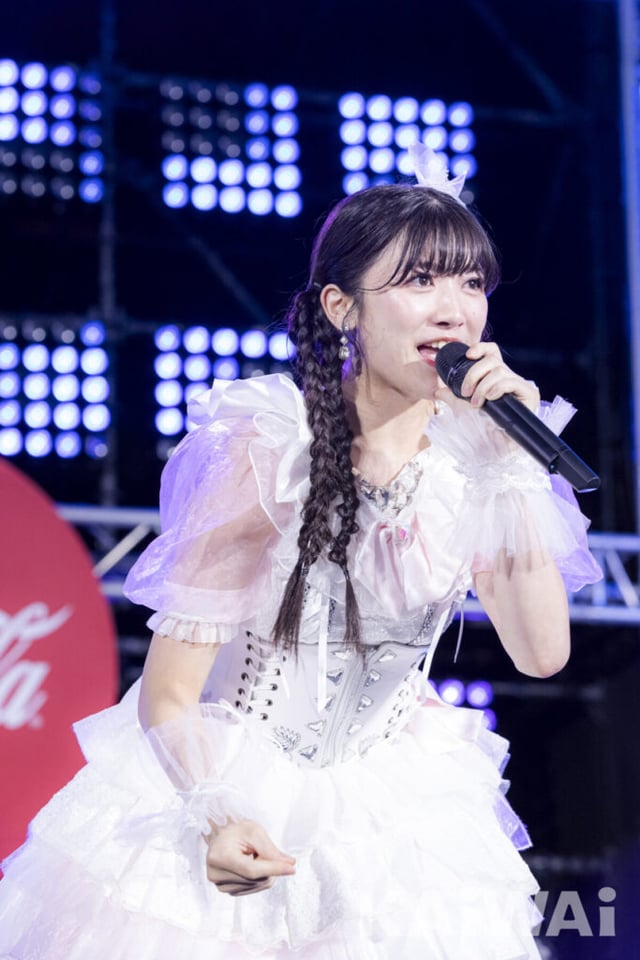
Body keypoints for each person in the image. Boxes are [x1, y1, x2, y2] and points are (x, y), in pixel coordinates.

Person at [0, 144, 602, 960]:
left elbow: (541, 653)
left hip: (393, 821)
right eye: (419, 281)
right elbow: (169, 691)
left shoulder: (480, 468)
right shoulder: (269, 449)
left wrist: (508, 471)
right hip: (229, 789)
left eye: (470, 284)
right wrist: (214, 814)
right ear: (342, 307)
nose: (453, 310)